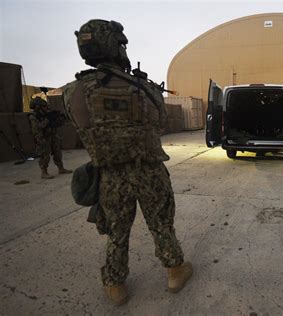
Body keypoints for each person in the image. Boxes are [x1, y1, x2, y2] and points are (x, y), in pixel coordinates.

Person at [62, 19, 192, 305]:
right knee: (161, 224)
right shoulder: (144, 88)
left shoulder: (75, 91)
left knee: (117, 231)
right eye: (121, 44)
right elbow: (159, 122)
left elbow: (80, 126)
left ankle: (115, 285)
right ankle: (174, 272)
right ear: (113, 45)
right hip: (149, 171)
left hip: (109, 175)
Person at [28, 96, 72, 179]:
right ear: (38, 107)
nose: (46, 108)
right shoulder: (33, 116)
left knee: (57, 153)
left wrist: (58, 119)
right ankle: (44, 172)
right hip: (42, 138)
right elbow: (37, 128)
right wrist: (48, 120)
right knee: (45, 155)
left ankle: (61, 169)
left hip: (52, 136)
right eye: (44, 106)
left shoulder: (46, 114)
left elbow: (54, 124)